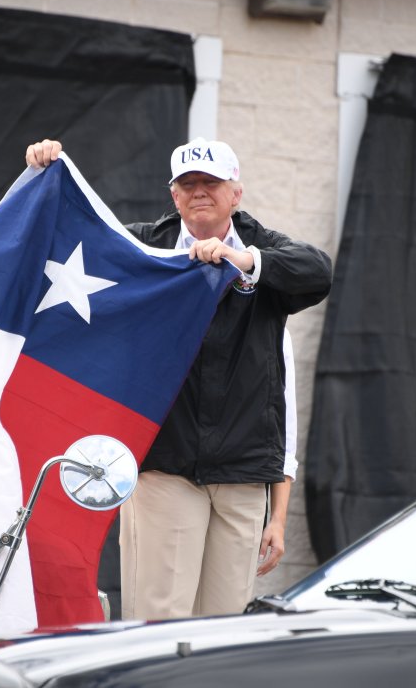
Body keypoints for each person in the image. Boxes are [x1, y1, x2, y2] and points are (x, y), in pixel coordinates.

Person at [25, 138, 332, 619]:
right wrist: (44, 175)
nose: (199, 192)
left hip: (243, 474)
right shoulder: (142, 247)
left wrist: (245, 261)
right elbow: (64, 240)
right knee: (158, 620)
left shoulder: (264, 250)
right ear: (174, 196)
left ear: (237, 193)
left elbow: (318, 272)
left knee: (224, 629)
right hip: (165, 467)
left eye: (211, 182)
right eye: (187, 184)